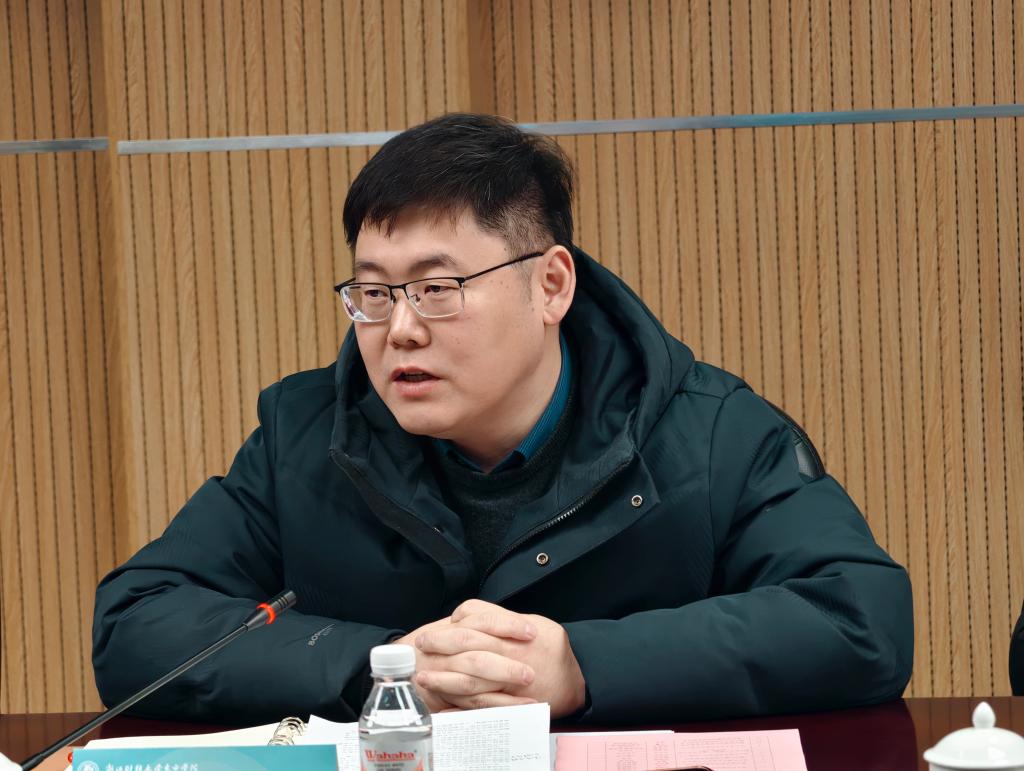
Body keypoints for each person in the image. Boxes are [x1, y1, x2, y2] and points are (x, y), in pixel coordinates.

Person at [92, 113, 914, 725]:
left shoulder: (708, 431)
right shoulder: (304, 435)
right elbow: (137, 622)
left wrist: (584, 665)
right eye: (373, 292)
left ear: (551, 285)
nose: (399, 329)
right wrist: (386, 666)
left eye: (436, 289)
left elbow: (858, 619)